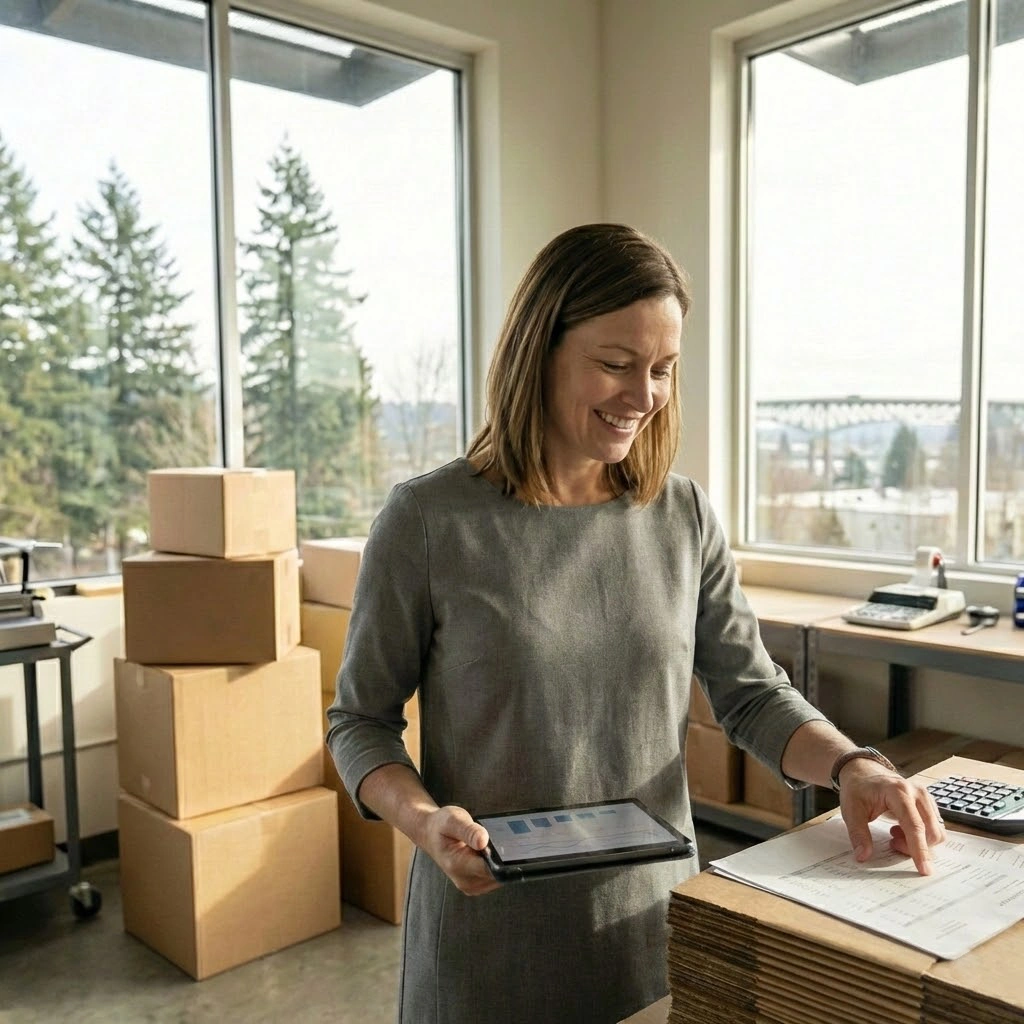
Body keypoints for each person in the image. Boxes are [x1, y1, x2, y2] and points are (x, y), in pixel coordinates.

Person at [326, 223, 945, 1024]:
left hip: (650, 928)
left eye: (662, 369)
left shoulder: (681, 514)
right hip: (489, 939)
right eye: (616, 364)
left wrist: (853, 765)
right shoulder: (429, 520)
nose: (644, 395)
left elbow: (751, 694)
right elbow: (359, 723)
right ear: (538, 351)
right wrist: (419, 818)